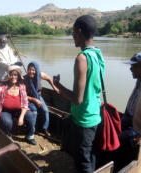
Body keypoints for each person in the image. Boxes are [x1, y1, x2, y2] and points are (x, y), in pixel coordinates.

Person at [53, 15, 105, 173]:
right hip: (95, 114)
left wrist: (57, 85)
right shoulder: (97, 54)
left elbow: (77, 99)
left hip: (83, 119)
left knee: (82, 162)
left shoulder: (82, 59)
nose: (72, 37)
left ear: (79, 31)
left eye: (73, 33)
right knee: (90, 155)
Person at [0, 65, 37, 145]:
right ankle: (7, 135)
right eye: (11, 75)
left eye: (15, 75)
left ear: (18, 76)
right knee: (7, 122)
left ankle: (29, 136)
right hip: (5, 111)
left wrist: (21, 117)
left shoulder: (21, 86)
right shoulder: (2, 86)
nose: (13, 77)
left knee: (31, 116)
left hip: (19, 110)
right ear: (8, 76)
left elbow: (25, 103)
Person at [24, 61, 59, 136]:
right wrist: (34, 100)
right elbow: (23, 95)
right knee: (34, 111)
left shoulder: (40, 75)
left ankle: (45, 128)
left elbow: (49, 79)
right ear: (27, 70)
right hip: (28, 99)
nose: (31, 72)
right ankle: (31, 128)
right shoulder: (24, 79)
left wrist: (54, 87)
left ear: (36, 70)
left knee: (45, 110)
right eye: (29, 69)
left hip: (38, 96)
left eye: (33, 70)